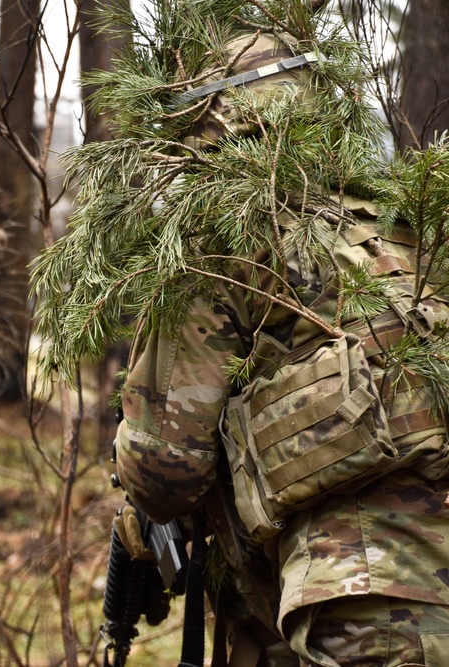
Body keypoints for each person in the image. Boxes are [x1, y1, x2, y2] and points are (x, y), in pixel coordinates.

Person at [113, 29, 449, 667]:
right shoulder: (414, 221)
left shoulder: (217, 241)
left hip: (369, 589)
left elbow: (166, 470)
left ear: (210, 126)